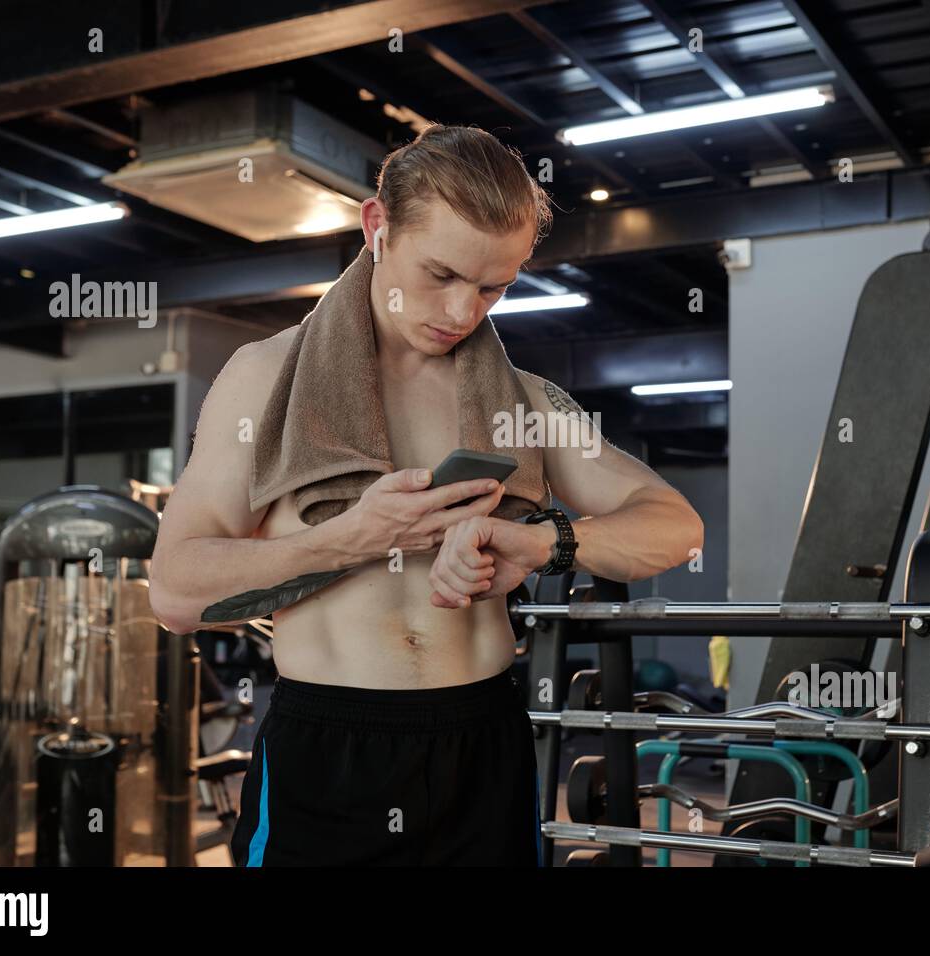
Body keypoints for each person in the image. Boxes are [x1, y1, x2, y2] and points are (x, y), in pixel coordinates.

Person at [148, 124, 703, 866]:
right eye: (440, 273)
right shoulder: (264, 379)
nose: (463, 311)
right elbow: (176, 594)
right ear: (378, 227)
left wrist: (543, 543)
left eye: (493, 287)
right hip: (330, 749)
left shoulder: (522, 402)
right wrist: (358, 535)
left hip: (483, 742)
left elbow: (676, 528)